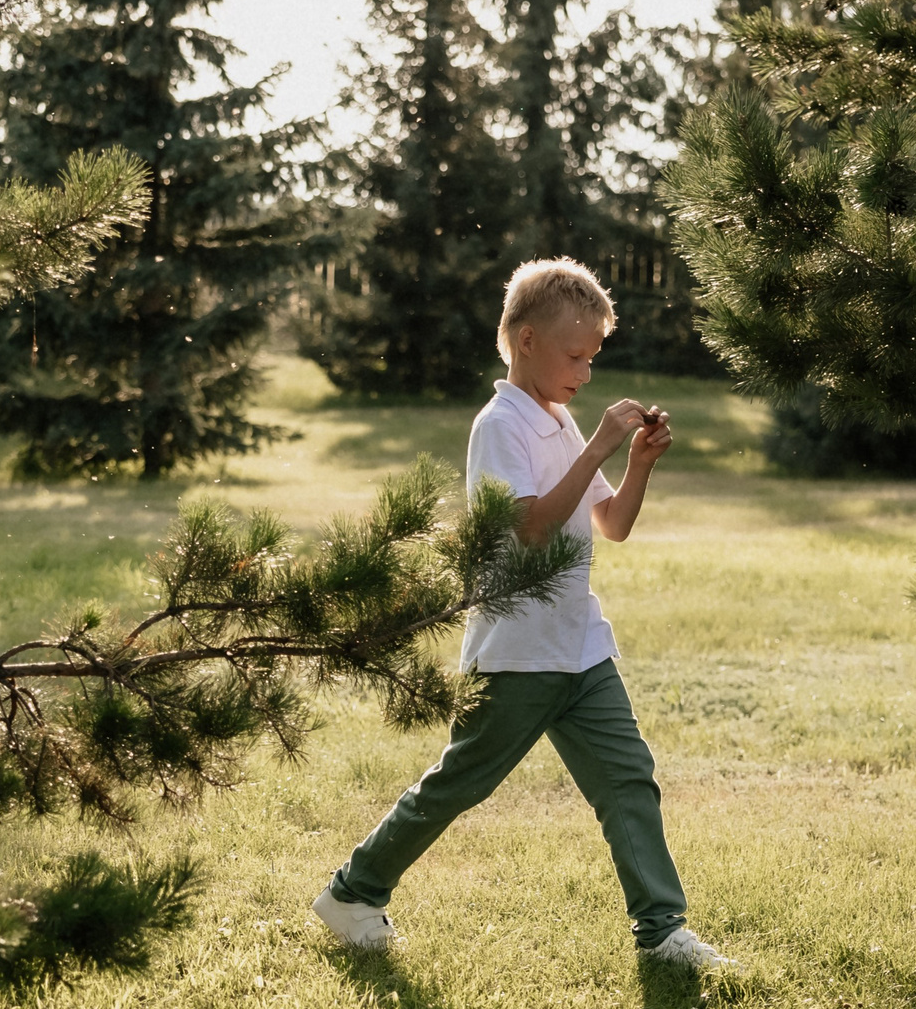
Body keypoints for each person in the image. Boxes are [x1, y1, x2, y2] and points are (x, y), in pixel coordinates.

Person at [310, 257, 731, 967]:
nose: (586, 373)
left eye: (593, 359)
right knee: (458, 783)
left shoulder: (560, 421)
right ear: (526, 340)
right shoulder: (499, 425)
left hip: (580, 646)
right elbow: (530, 526)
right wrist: (600, 440)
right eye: (576, 355)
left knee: (628, 778)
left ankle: (661, 930)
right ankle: (353, 892)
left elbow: (611, 523)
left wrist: (638, 465)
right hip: (519, 653)